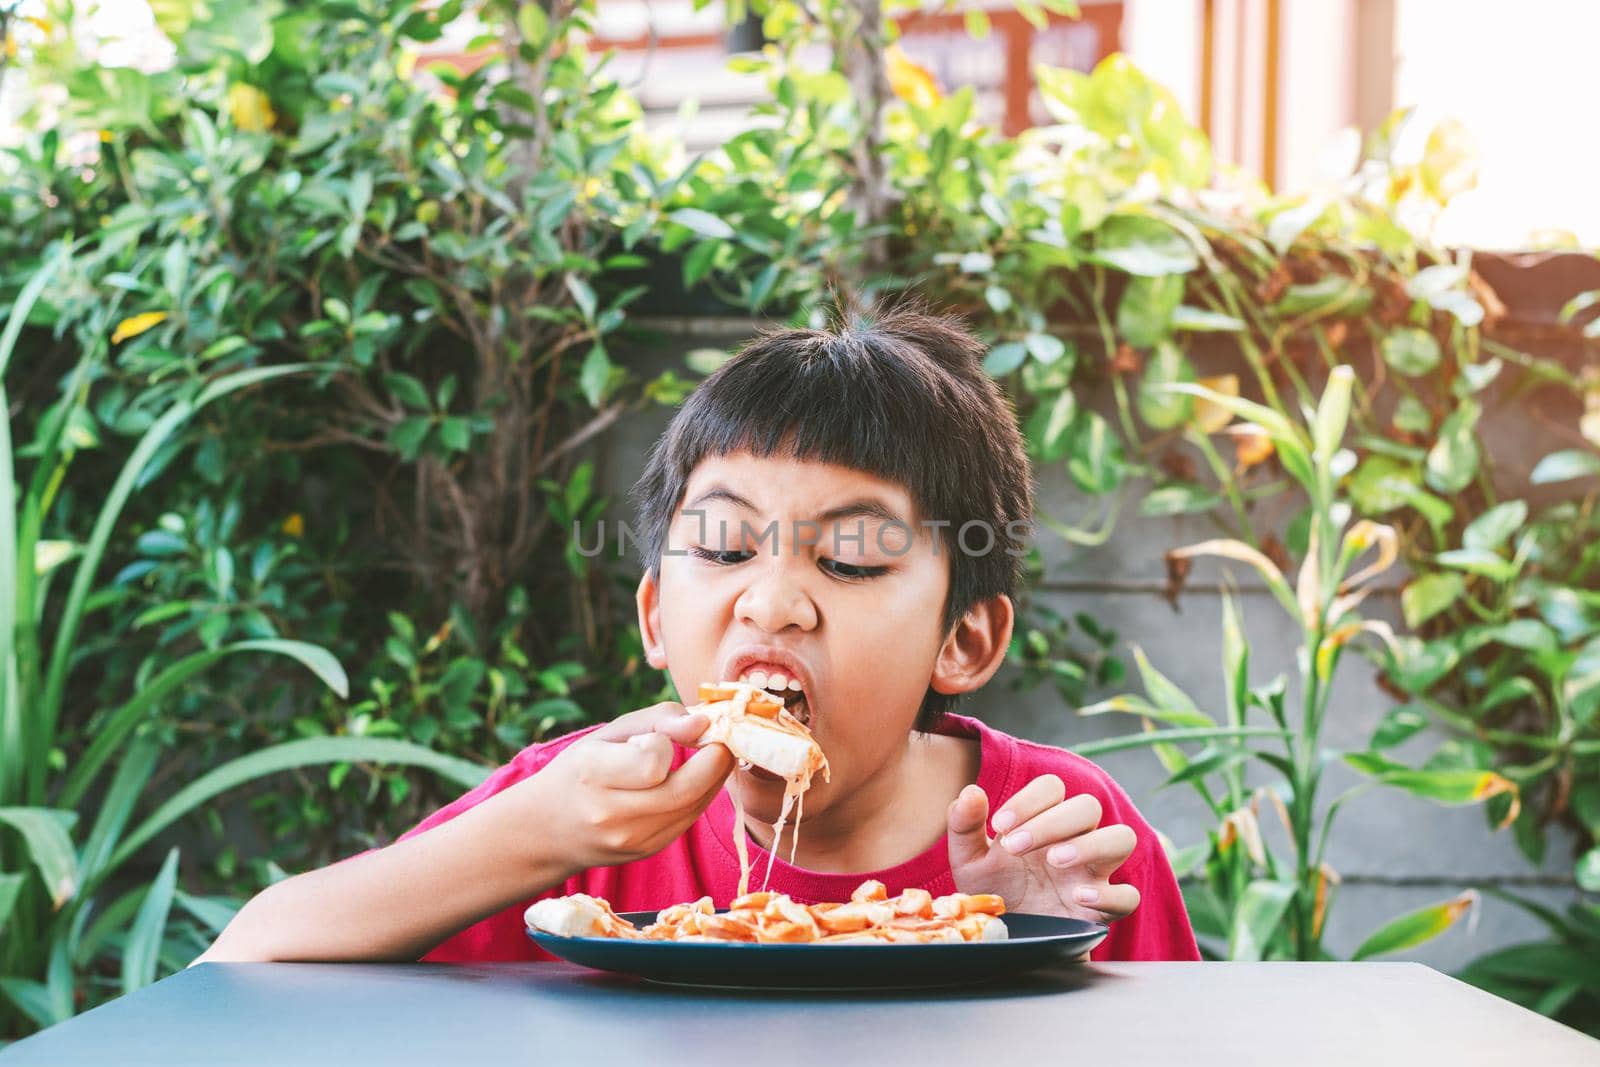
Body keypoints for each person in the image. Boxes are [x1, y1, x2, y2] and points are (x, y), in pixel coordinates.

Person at [197, 306, 1199, 964]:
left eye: (849, 558)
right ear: (651, 615)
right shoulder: (574, 814)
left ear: (964, 640)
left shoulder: (1051, 828)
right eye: (721, 546)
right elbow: (245, 967)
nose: (771, 603)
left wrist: (1028, 939)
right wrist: (536, 832)